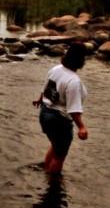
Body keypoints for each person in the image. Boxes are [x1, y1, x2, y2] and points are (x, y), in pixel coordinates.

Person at [33, 43, 88, 174]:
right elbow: (73, 110)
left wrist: (40, 99)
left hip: (45, 113)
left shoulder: (56, 69)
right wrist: (81, 127)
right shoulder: (73, 81)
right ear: (81, 61)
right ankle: (53, 185)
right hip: (59, 120)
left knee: (55, 145)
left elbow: (47, 87)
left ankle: (46, 173)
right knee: (59, 157)